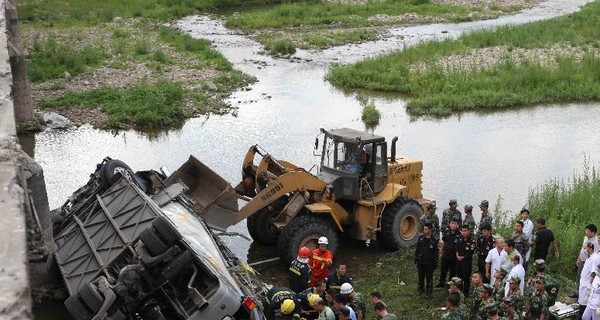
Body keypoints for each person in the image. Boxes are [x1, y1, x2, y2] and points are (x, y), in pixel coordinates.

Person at [572, 224, 600, 298]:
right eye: (585, 230)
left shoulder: (596, 242)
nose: (586, 232)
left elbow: (595, 255)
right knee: (579, 276)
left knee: (587, 278)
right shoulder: (586, 238)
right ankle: (578, 292)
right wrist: (578, 258)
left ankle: (586, 294)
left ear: (593, 232)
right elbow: (582, 248)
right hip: (582, 260)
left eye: (587, 231)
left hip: (589, 263)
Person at [415, 222, 439, 297]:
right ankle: (420, 289)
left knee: (429, 277)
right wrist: (416, 258)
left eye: (426, 229)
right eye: (424, 229)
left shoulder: (434, 240)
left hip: (429, 263)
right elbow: (418, 249)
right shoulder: (421, 238)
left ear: (430, 230)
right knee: (421, 277)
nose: (424, 230)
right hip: (421, 261)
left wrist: (435, 262)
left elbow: (436, 253)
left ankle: (429, 291)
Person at [437, 218, 461, 287]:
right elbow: (443, 242)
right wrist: (441, 252)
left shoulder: (459, 234)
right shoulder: (447, 232)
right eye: (452, 223)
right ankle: (441, 282)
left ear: (457, 225)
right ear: (450, 224)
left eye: (455, 224)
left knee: (452, 271)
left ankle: (450, 284)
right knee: (443, 269)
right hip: (446, 254)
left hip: (454, 256)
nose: (453, 225)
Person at [579, 243, 600, 319]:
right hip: (591, 300)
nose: (585, 250)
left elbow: (593, 272)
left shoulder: (594, 258)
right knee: (584, 317)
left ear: (590, 248)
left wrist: (589, 284)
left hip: (596, 304)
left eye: (586, 248)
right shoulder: (590, 258)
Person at [456, 224, 476, 297]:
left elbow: (470, 252)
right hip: (458, 262)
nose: (463, 232)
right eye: (462, 231)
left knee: (466, 278)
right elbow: (457, 248)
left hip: (466, 263)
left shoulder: (472, 241)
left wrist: (463, 257)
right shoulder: (459, 239)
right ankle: (458, 292)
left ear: (469, 231)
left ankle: (466, 293)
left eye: (465, 231)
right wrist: (457, 255)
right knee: (458, 278)